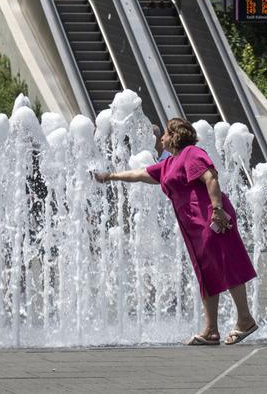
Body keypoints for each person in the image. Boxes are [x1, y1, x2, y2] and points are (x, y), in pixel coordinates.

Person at [95, 118, 258, 346]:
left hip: (210, 217)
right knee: (206, 273)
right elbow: (141, 173)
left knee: (225, 264)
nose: (160, 138)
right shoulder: (170, 163)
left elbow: (210, 178)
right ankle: (211, 330)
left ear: (174, 135)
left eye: (164, 134)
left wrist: (218, 210)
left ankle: (245, 319)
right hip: (194, 227)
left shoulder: (191, 153)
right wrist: (110, 176)